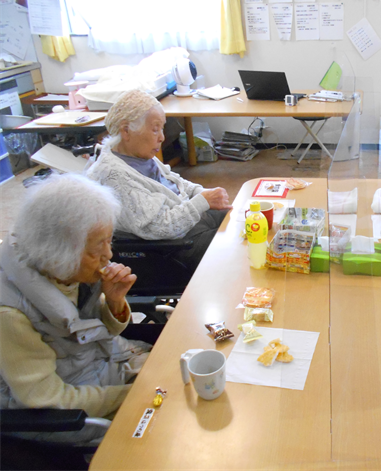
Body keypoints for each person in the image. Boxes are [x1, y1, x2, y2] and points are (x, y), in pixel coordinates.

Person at [0, 174, 154, 444]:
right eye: (99, 247)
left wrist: (115, 301)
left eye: (110, 240)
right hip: (66, 416)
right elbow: (48, 399)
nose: (109, 255)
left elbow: (89, 332)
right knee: (162, 427)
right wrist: (132, 394)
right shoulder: (9, 315)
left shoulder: (66, 270)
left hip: (103, 364)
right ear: (60, 252)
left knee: (181, 371)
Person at [85, 89, 232, 273]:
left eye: (162, 128)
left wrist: (199, 192)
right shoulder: (114, 176)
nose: (162, 137)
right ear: (126, 130)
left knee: (243, 220)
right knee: (235, 244)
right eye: (155, 129)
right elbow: (161, 227)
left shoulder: (137, 155)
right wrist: (202, 201)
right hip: (173, 247)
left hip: (187, 222)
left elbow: (176, 181)